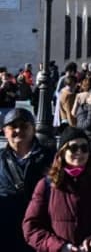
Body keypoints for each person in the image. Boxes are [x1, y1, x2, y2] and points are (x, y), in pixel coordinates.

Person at [22, 127, 91, 252]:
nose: (79, 152)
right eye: (73, 148)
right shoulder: (46, 186)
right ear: (62, 151)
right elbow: (31, 228)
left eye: (84, 148)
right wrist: (59, 246)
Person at [0, 108, 54, 252]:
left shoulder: (51, 158)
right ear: (4, 131)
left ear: (33, 129)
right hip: (6, 232)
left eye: (24, 126)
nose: (18, 130)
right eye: (13, 126)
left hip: (39, 230)